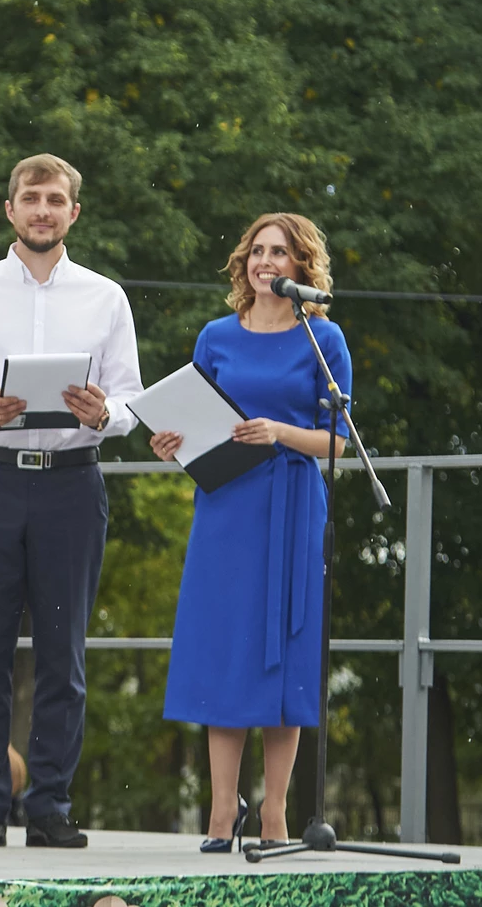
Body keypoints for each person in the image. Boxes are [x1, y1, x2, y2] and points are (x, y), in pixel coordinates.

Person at [0, 153, 145, 849]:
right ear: (9, 209)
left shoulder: (106, 297)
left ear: (73, 212)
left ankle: (48, 806)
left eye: (54, 199)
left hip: (72, 484)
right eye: (30, 197)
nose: (42, 210)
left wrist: (104, 413)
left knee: (62, 654)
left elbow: (132, 401)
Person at [154, 212, 353, 854]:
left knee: (285, 654)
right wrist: (172, 443)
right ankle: (221, 812)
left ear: (301, 266)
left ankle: (275, 814)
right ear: (245, 262)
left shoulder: (324, 338)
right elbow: (198, 420)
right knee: (225, 650)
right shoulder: (215, 336)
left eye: (280, 252)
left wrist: (279, 432)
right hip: (226, 506)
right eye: (258, 251)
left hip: (293, 504)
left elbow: (338, 443)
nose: (266, 261)